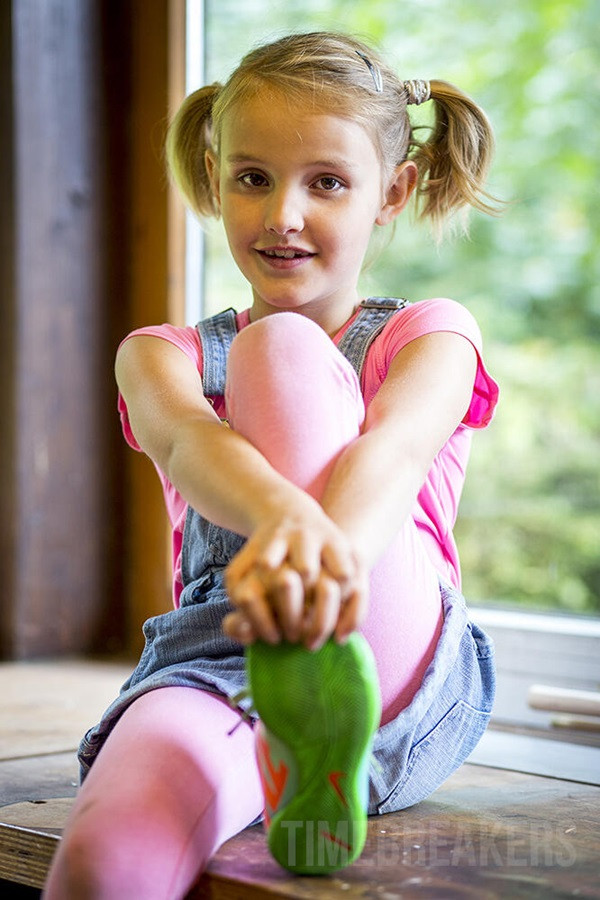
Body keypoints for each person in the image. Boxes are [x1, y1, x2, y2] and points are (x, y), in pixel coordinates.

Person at [44, 30, 499, 898]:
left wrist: (311, 547)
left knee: (279, 350)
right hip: (227, 657)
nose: (282, 213)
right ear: (216, 182)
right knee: (108, 857)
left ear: (392, 193)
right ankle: (295, 752)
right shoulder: (161, 354)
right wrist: (284, 517)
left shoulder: (429, 334)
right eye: (253, 177)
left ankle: (321, 679)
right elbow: (187, 441)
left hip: (393, 657)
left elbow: (393, 452)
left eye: (326, 182)